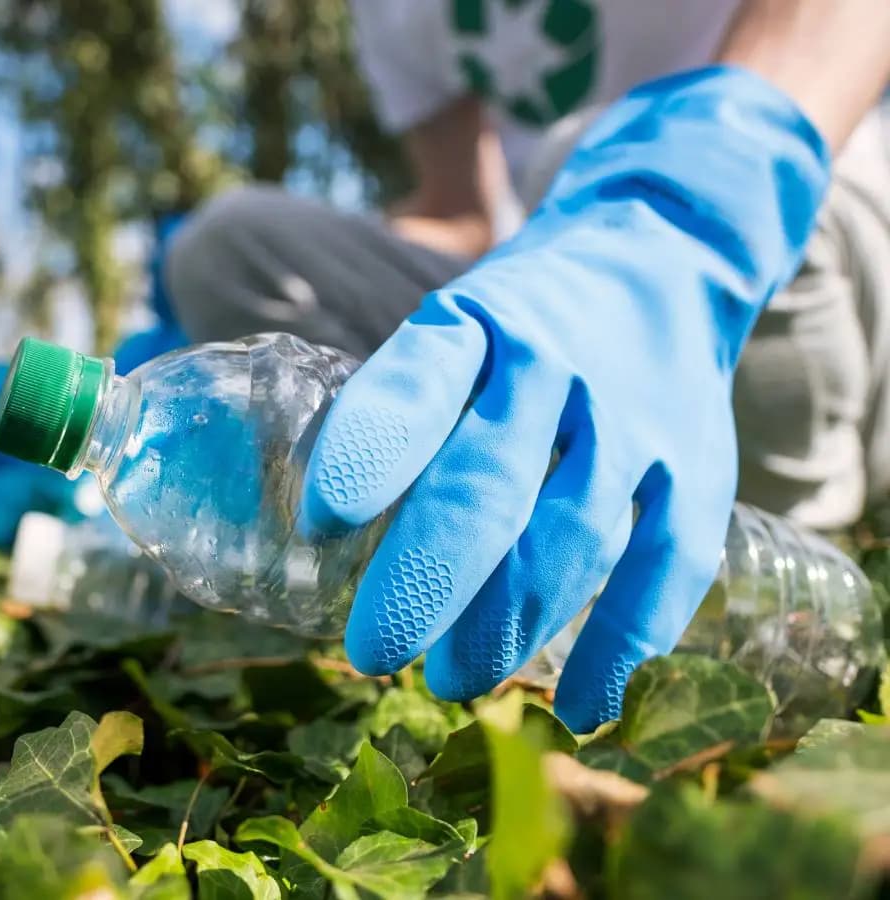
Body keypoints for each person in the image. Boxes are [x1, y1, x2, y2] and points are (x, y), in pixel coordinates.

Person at [164, 0, 890, 730]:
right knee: (230, 249)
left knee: (569, 151)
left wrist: (673, 219)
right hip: (566, 279)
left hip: (799, 227)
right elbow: (460, 216)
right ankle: (529, 517)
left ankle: (785, 513)